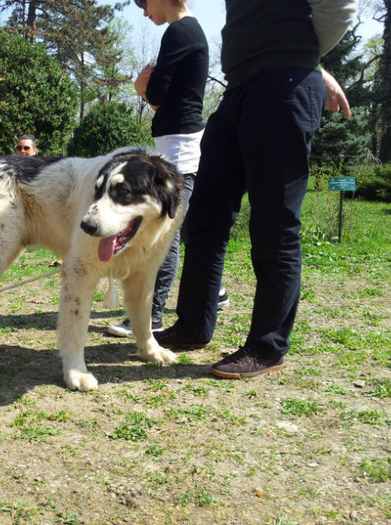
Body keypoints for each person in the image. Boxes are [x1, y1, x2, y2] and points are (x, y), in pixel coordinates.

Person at [154, 0, 357, 379]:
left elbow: (338, 6)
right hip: (239, 89)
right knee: (204, 219)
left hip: (284, 86)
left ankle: (268, 346)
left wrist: (305, 60)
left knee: (273, 223)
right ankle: (193, 325)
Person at [108, 0, 228, 339]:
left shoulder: (179, 31)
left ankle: (151, 315)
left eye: (145, 3)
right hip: (179, 144)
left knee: (164, 235)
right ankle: (215, 291)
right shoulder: (189, 31)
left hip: (180, 148)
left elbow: (158, 93)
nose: (145, 12)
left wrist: (140, 90)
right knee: (187, 229)